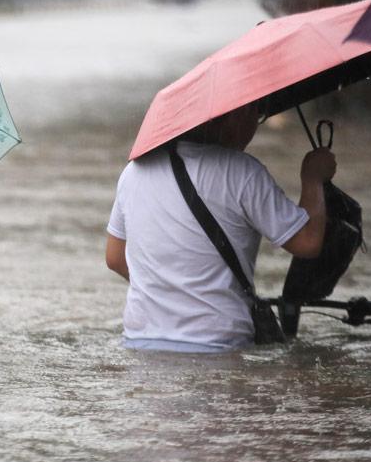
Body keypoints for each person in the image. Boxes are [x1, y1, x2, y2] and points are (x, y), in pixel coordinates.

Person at [105, 103, 337, 352]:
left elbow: (115, 258)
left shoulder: (134, 171)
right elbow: (307, 242)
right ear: (233, 117)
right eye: (254, 115)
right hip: (217, 345)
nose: (253, 127)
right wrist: (313, 179)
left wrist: (171, 290)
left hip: (140, 343)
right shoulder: (243, 172)